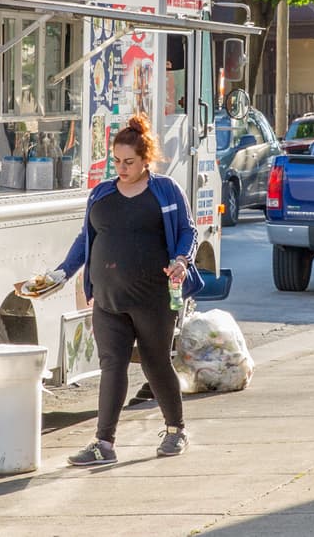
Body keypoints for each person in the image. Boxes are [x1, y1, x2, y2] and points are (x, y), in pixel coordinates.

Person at [42, 112, 197, 466]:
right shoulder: (101, 194)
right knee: (112, 366)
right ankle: (104, 443)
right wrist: (63, 273)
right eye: (116, 161)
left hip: (154, 298)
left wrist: (182, 260)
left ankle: (176, 430)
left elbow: (188, 231)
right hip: (108, 298)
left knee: (156, 363)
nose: (122, 168)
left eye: (129, 162)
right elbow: (87, 239)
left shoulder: (165, 191)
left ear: (146, 160)